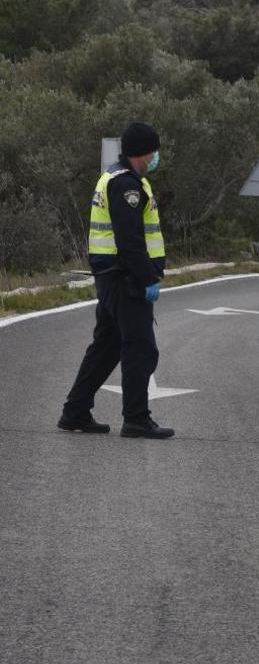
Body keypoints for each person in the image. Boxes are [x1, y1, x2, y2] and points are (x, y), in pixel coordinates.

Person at [58, 121, 174, 439]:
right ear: (142, 152)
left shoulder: (116, 177)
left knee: (106, 348)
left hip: (112, 277)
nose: (156, 157)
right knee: (140, 348)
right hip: (126, 279)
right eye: (153, 151)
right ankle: (136, 419)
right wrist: (147, 278)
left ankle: (75, 411)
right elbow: (130, 239)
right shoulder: (126, 186)